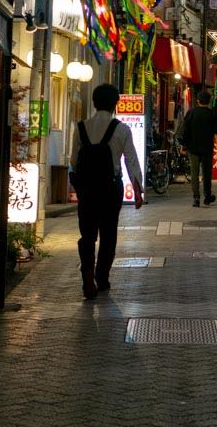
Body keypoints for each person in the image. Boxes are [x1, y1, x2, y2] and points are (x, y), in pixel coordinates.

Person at [70, 83, 143, 300]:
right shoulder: (121, 129)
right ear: (115, 104)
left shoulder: (80, 127)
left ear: (94, 102)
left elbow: (74, 160)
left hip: (87, 189)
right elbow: (131, 160)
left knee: (87, 235)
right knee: (108, 234)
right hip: (111, 188)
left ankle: (87, 275)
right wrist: (137, 191)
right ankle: (102, 278)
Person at [180, 90, 217, 207]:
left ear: (198, 101)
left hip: (193, 149)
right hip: (207, 148)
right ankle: (207, 197)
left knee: (194, 174)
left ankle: (196, 198)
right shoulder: (212, 115)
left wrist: (183, 146)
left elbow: (185, 132)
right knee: (207, 174)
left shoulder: (191, 113)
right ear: (209, 101)